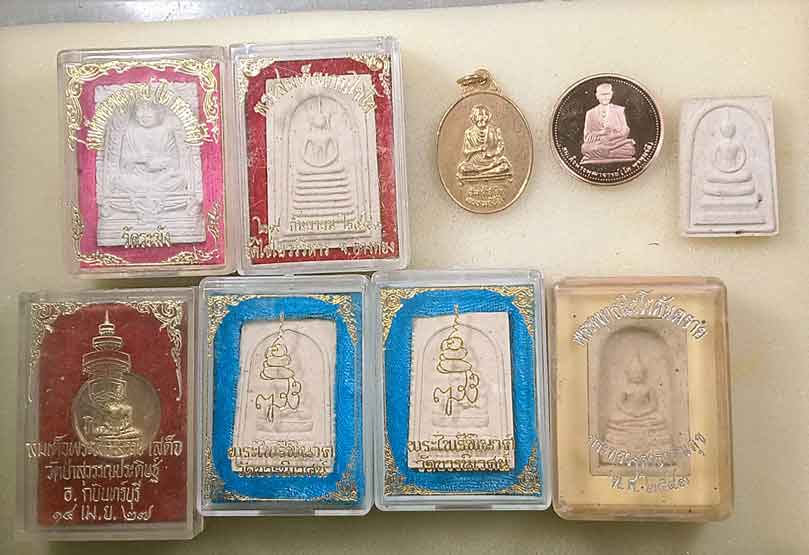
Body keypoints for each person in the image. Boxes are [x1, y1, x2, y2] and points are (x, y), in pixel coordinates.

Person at [581, 83, 637, 164]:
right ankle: (610, 153)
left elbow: (625, 131)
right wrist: (601, 134)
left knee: (630, 149)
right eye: (602, 95)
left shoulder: (619, 110)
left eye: (607, 94)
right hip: (598, 144)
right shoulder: (590, 113)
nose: (605, 97)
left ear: (611, 94)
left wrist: (610, 138)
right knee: (585, 148)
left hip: (617, 143)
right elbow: (587, 137)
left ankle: (605, 153)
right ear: (597, 96)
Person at [456, 104, 513, 181]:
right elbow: (466, 152)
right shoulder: (469, 132)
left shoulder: (495, 130)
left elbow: (501, 148)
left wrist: (492, 154)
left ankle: (482, 174)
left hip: (492, 161)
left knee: (505, 166)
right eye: (480, 115)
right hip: (475, 163)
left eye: (485, 114)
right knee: (463, 168)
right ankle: (488, 173)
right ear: (474, 117)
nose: (483, 117)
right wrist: (478, 148)